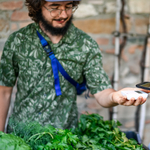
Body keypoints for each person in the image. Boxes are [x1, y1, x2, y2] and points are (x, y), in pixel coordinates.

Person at [0, 0, 149, 132]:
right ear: (38, 6)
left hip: (64, 139)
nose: (63, 14)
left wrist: (116, 96)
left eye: (68, 6)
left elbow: (102, 92)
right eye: (54, 7)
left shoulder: (85, 44)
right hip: (20, 137)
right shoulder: (18, 41)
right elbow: (3, 92)